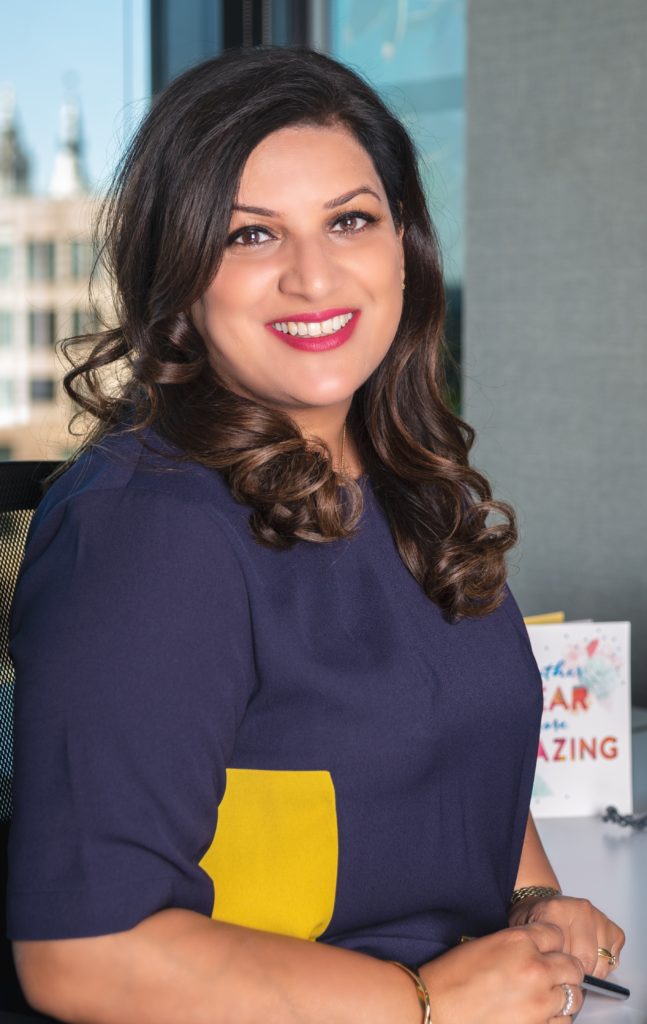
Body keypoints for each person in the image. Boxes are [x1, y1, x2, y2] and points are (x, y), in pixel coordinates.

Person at [7, 46, 622, 1024]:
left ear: (403, 246)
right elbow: (83, 953)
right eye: (251, 235)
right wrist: (420, 1000)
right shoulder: (145, 529)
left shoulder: (411, 487)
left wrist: (530, 904)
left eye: (348, 220)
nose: (312, 274)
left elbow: (457, 736)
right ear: (180, 275)